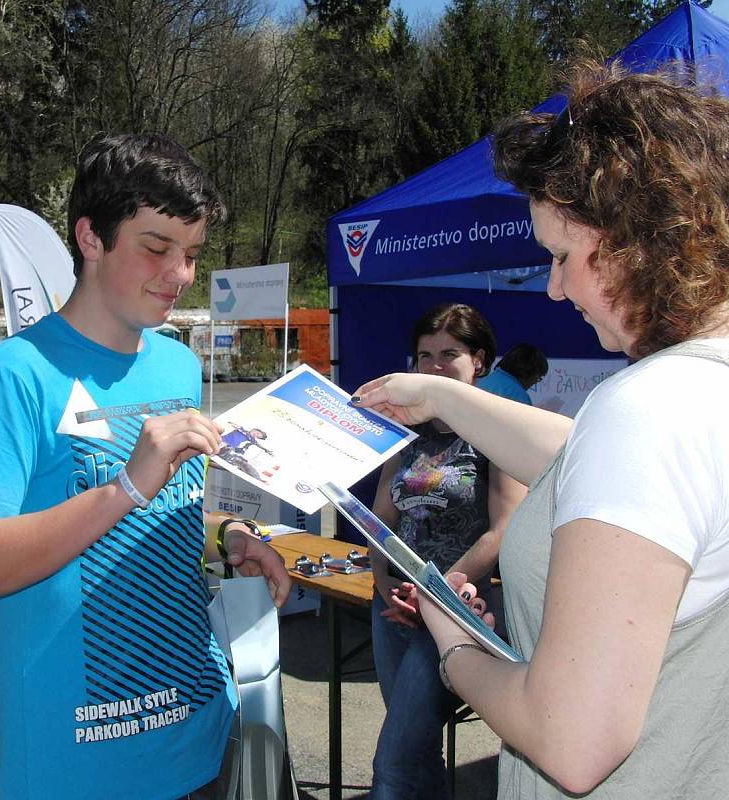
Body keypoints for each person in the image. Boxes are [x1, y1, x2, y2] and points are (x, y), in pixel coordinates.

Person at [351, 58, 729, 799]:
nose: (555, 287)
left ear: (638, 238)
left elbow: (572, 741)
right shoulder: (699, 390)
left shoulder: (647, 408)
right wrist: (440, 395)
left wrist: (452, 635)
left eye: (562, 256)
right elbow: (584, 460)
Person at [0, 133, 291, 800]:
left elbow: (166, 502)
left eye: (190, 255)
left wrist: (226, 537)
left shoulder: (179, 365)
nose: (180, 275)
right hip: (78, 760)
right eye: (157, 248)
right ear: (90, 239)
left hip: (198, 732)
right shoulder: (13, 375)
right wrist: (126, 484)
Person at [368, 303, 526, 800]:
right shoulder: (405, 432)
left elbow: (502, 531)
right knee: (417, 749)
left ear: (478, 360)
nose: (434, 367)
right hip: (394, 606)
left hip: (458, 611)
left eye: (449, 354)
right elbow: (379, 517)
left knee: (393, 764)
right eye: (425, 356)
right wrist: (382, 580)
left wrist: (435, 593)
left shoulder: (495, 430)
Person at [478, 342, 548, 405]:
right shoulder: (519, 396)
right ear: (530, 371)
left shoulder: (483, 381)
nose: (535, 382)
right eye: (538, 378)